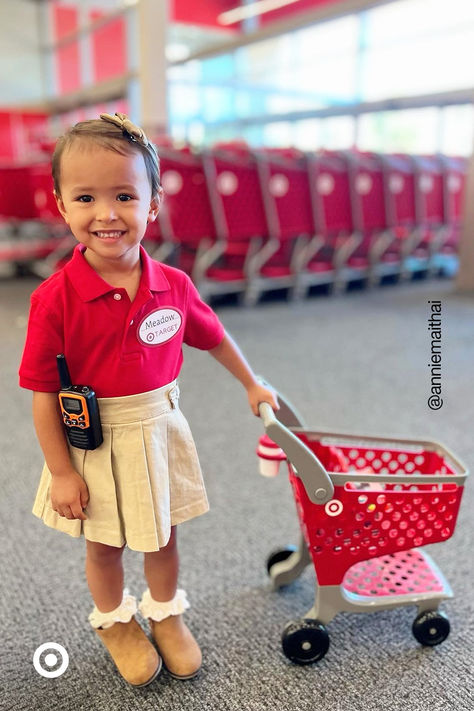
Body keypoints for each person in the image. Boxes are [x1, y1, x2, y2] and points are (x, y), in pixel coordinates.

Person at [19, 113, 278, 687]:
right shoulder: (53, 300)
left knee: (163, 533)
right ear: (62, 206)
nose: (106, 214)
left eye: (124, 196)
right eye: (85, 197)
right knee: (106, 542)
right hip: (96, 438)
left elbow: (213, 335)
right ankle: (115, 621)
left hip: (159, 426)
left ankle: (164, 611)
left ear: (152, 204)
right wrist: (61, 472)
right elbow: (42, 394)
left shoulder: (173, 285)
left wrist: (252, 382)